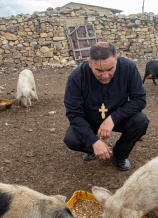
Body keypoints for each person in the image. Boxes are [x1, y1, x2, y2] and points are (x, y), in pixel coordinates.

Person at [63, 42, 149, 171]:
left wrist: (113, 118)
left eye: (110, 69)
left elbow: (140, 100)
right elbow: (74, 113)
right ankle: (93, 148)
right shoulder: (77, 77)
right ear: (89, 62)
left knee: (140, 121)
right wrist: (93, 141)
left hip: (118, 118)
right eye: (99, 70)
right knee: (72, 139)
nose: (105, 76)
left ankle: (120, 155)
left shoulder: (128, 68)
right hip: (90, 119)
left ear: (116, 59)